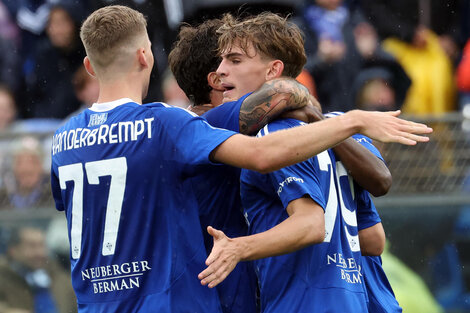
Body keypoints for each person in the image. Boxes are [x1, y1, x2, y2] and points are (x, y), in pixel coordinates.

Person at [51, 5, 432, 312]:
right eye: (221, 63)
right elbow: (274, 134)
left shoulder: (62, 140)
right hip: (185, 301)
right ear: (145, 56)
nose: (222, 71)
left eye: (233, 61)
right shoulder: (172, 125)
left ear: (88, 66)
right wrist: (350, 121)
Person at [196, 12, 409, 312]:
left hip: (302, 303)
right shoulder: (338, 125)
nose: (221, 71)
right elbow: (374, 238)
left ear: (273, 70)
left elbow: (310, 225)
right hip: (359, 300)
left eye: (235, 60)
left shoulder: (275, 134)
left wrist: (239, 248)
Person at [0, 226, 77, 313]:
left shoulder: (59, 277)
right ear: (13, 250)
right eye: (32, 246)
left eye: (42, 245)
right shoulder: (3, 277)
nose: (40, 253)